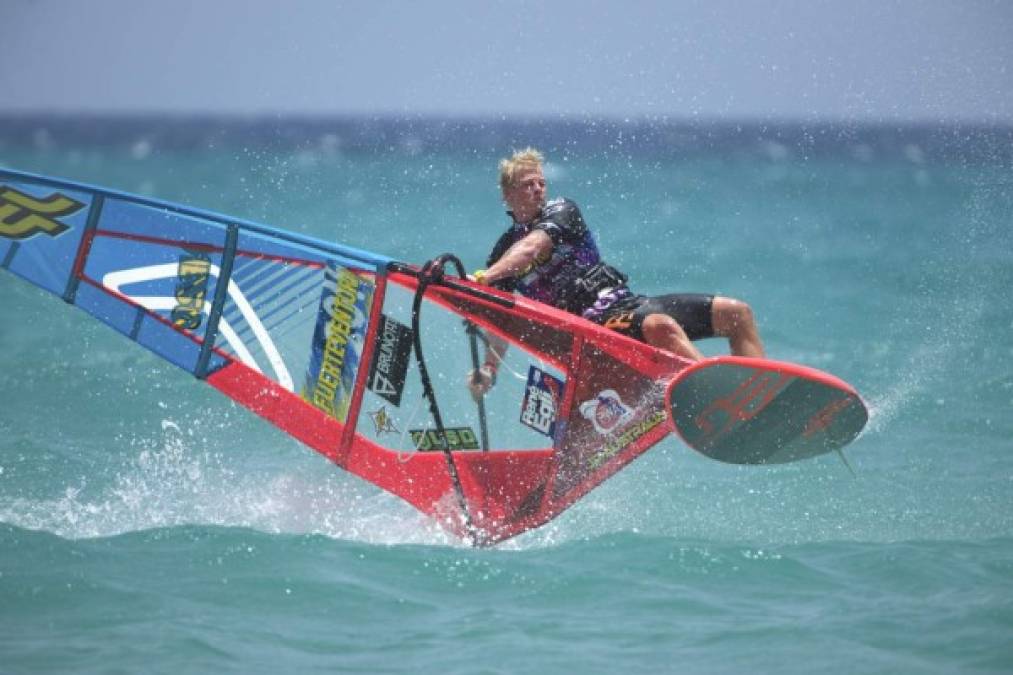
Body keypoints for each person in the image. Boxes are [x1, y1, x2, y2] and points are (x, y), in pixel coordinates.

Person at [467, 148, 764, 400]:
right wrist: (490, 370)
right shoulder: (503, 254)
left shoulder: (562, 210)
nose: (538, 189)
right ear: (508, 194)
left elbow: (532, 248)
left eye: (541, 182)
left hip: (626, 305)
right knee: (661, 327)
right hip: (590, 328)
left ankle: (757, 399)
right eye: (527, 184)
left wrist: (485, 277)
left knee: (737, 313)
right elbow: (500, 320)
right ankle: (719, 405)